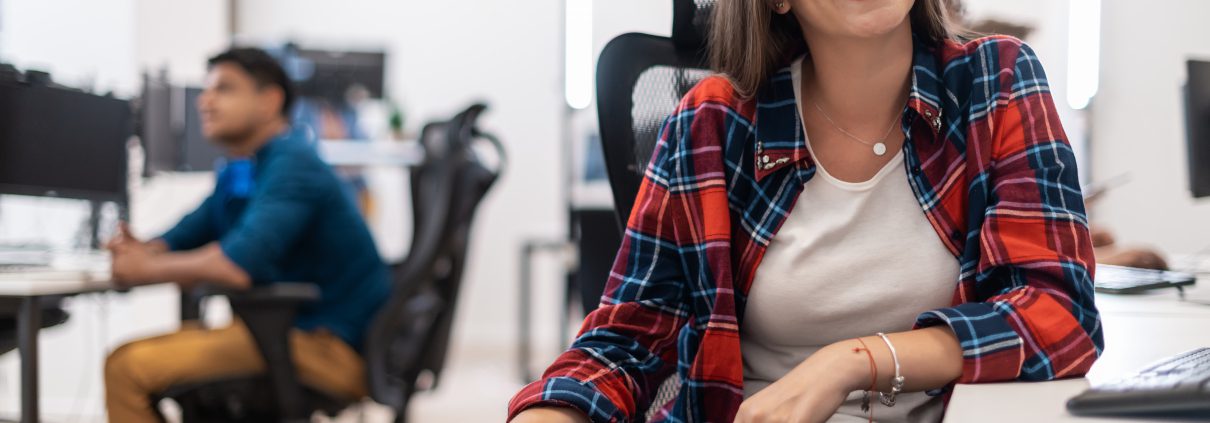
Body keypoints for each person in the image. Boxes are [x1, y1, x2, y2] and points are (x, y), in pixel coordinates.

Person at [509, 0, 1102, 422]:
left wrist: (850, 363)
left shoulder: (995, 82)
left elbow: (1059, 314)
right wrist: (552, 413)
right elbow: (625, 341)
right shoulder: (712, 123)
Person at [104, 47, 391, 423]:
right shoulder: (241, 170)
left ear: (269, 101)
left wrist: (142, 269)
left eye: (224, 89)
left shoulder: (293, 163)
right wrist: (140, 250)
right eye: (207, 90)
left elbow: (234, 266)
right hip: (283, 334)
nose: (205, 102)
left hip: (326, 347)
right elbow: (182, 236)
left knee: (127, 368)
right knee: (137, 364)